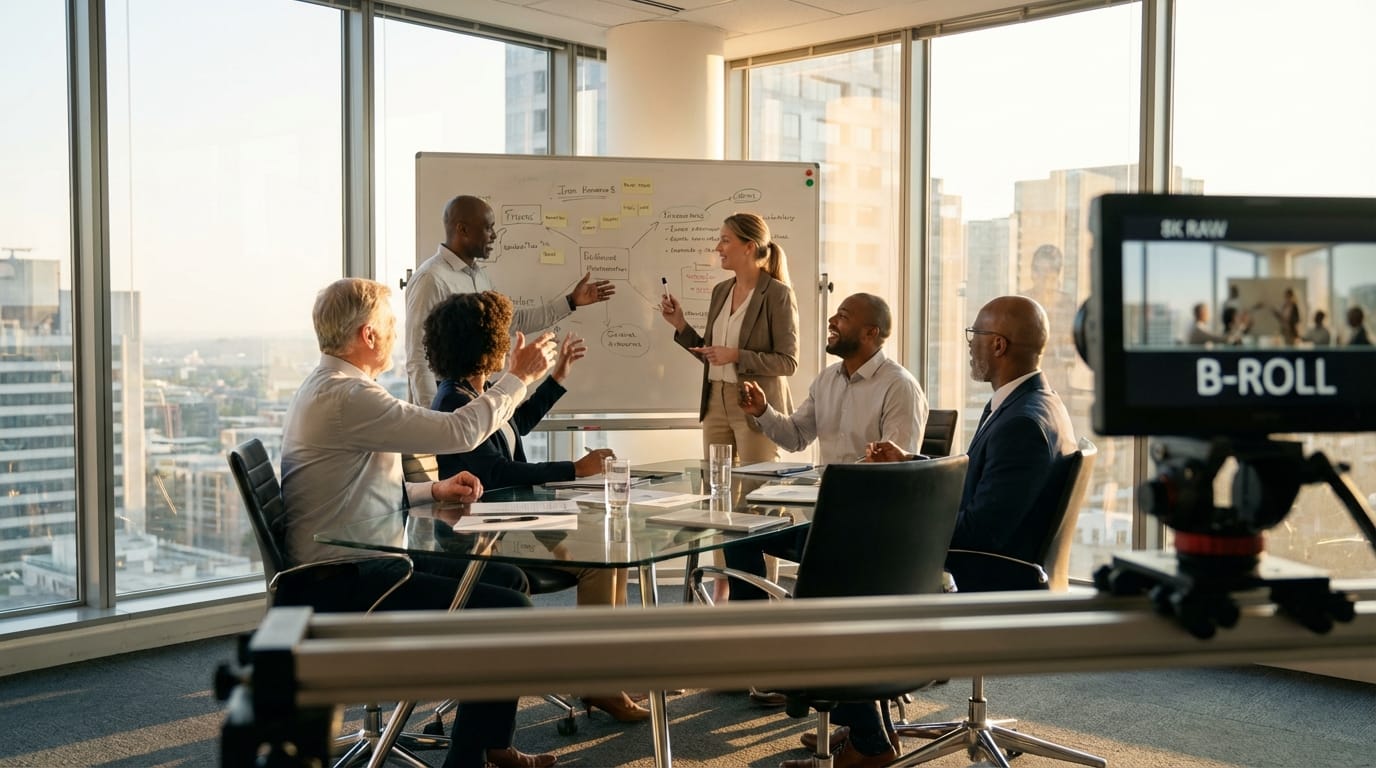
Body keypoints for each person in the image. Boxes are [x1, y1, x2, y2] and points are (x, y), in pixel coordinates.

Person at [281, 278, 560, 768]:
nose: (397, 335)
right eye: (391, 325)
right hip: (352, 583)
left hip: (349, 568)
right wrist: (518, 377)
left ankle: (493, 745)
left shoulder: (328, 388)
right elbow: (458, 431)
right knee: (507, 610)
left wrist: (429, 491)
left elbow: (350, 490)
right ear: (369, 335)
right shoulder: (348, 397)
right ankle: (467, 761)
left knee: (508, 579)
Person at [820, 296, 1078, 768]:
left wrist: (903, 527)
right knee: (856, 566)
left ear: (998, 345)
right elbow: (979, 486)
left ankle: (870, 742)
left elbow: (983, 532)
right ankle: (867, 728)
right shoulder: (1030, 403)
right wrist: (914, 464)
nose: (970, 347)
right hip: (1005, 567)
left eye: (974, 337)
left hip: (992, 577)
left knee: (837, 585)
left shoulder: (1021, 422)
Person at [421, 290, 650, 724]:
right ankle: (598, 681)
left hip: (509, 520)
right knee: (599, 560)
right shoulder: (454, 400)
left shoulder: (477, 389)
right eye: (500, 336)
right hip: (485, 535)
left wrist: (557, 376)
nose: (508, 344)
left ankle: (607, 672)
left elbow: (516, 424)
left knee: (611, 547)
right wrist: (575, 468)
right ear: (482, 343)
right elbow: (499, 472)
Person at [721, 293, 927, 710]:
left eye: (844, 317)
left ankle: (801, 673)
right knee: (738, 536)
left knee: (817, 565)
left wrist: (878, 464)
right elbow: (797, 436)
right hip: (825, 520)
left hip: (867, 530)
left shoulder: (898, 386)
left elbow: (902, 475)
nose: (833, 320)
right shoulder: (828, 379)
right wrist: (763, 411)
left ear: (871, 333)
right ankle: (759, 654)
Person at [659, 211, 799, 602]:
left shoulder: (778, 294)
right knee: (718, 498)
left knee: (757, 502)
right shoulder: (722, 291)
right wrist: (681, 326)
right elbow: (712, 355)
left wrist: (737, 354)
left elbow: (787, 361)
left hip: (755, 406)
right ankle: (724, 583)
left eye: (724, 240)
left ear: (748, 247)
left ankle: (762, 592)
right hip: (716, 403)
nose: (717, 248)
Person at [405, 194, 616, 408]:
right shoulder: (431, 279)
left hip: (476, 401)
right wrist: (435, 421)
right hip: (451, 408)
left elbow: (512, 321)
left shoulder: (479, 276)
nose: (494, 235)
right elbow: (418, 358)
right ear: (463, 229)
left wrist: (571, 301)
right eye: (488, 228)